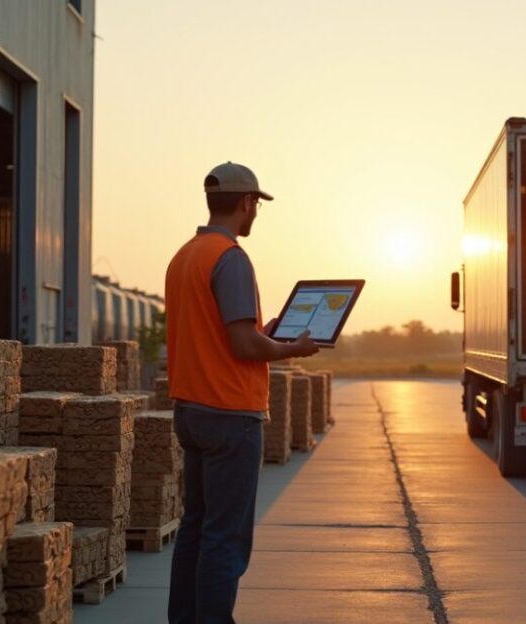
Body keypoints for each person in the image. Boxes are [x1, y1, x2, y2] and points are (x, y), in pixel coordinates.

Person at [165, 162, 319, 624]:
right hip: (229, 414)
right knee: (224, 538)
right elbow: (243, 345)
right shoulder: (231, 258)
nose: (256, 213)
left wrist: (262, 334)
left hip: (191, 410)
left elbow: (221, 333)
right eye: (256, 205)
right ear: (247, 203)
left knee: (195, 528)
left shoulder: (186, 255)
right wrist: (292, 349)